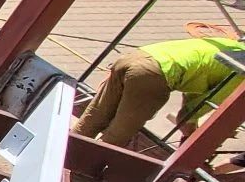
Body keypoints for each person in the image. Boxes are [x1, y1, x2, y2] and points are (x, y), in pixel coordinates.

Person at [75, 34, 245, 148]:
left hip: (136, 56)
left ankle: (68, 152)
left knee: (96, 115)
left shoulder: (229, 45)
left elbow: (195, 95)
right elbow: (193, 112)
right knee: (119, 133)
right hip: (154, 74)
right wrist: (191, 140)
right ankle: (84, 174)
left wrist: (188, 125)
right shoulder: (239, 71)